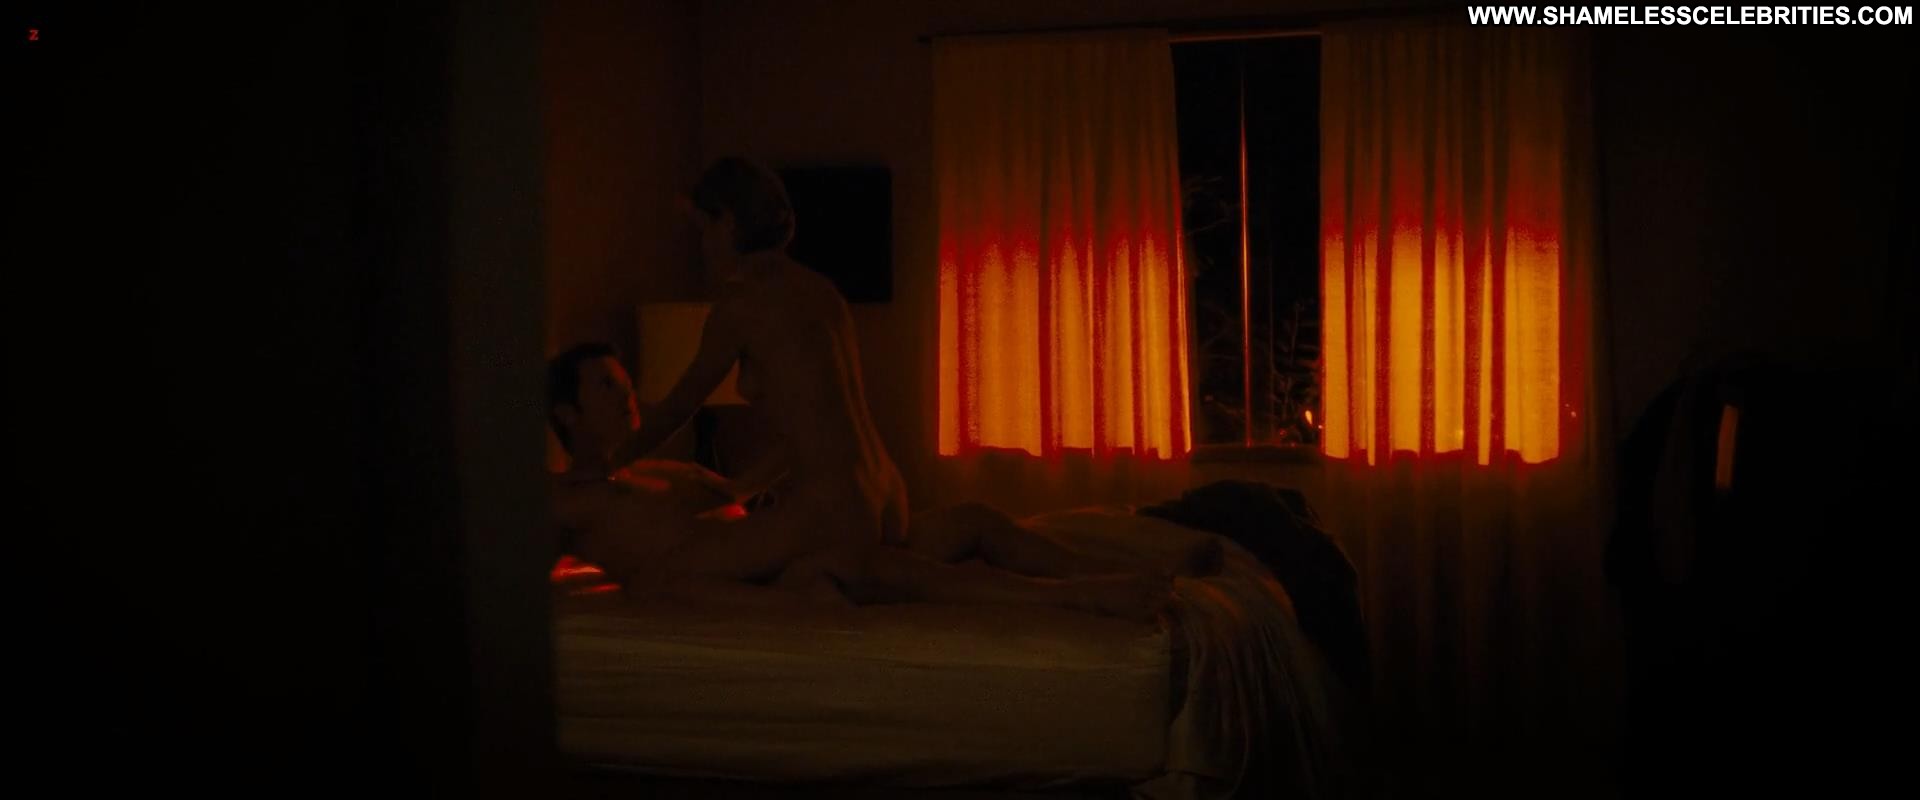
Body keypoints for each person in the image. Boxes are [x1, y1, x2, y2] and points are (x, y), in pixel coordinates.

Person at [574, 158, 1201, 620]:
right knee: (972, 525)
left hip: (831, 506)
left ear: (728, 222)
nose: (702, 246)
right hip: (881, 489)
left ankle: (1082, 594)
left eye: (703, 230)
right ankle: (1126, 570)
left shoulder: (740, 306)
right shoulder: (819, 292)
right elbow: (817, 417)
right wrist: (741, 487)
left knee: (661, 579)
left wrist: (610, 461)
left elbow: (679, 407)